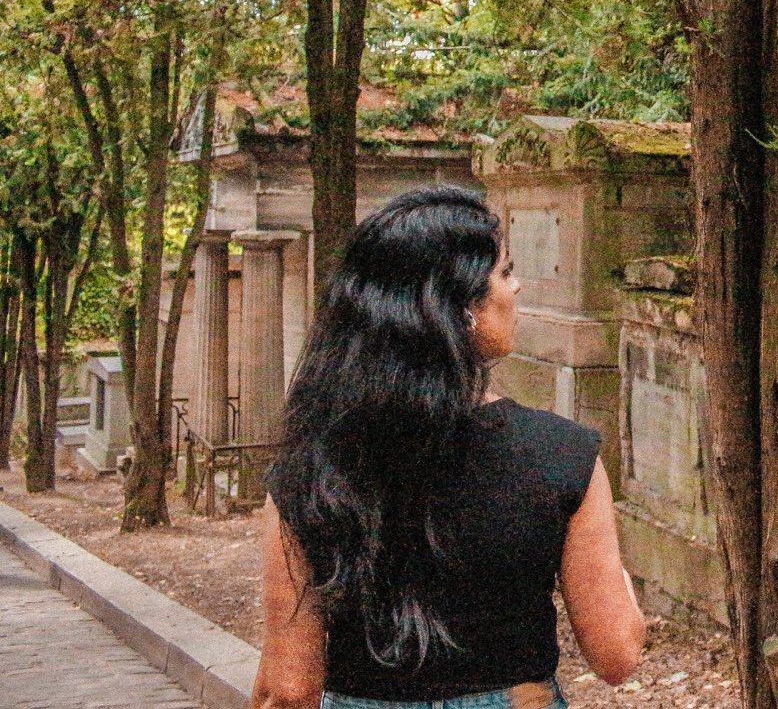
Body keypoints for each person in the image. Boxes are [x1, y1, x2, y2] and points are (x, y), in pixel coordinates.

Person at [252, 186, 646, 709]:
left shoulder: (313, 465)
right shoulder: (561, 456)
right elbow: (616, 656)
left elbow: (289, 688)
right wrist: (622, 588)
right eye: (505, 273)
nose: (518, 286)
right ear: (460, 310)